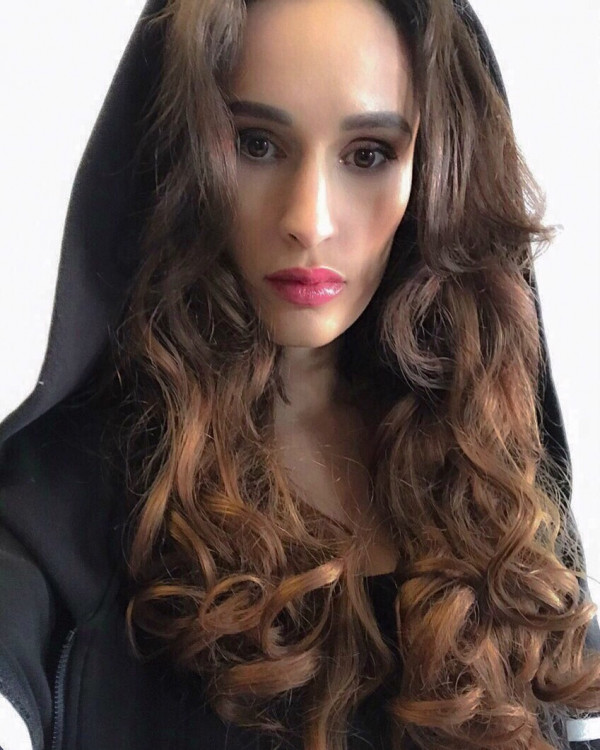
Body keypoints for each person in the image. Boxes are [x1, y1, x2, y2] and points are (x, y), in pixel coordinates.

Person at [0, 0, 598, 748]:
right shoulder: (67, 497)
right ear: (182, 159)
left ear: (435, 175)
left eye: (368, 154)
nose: (309, 220)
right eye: (256, 144)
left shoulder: (495, 488)